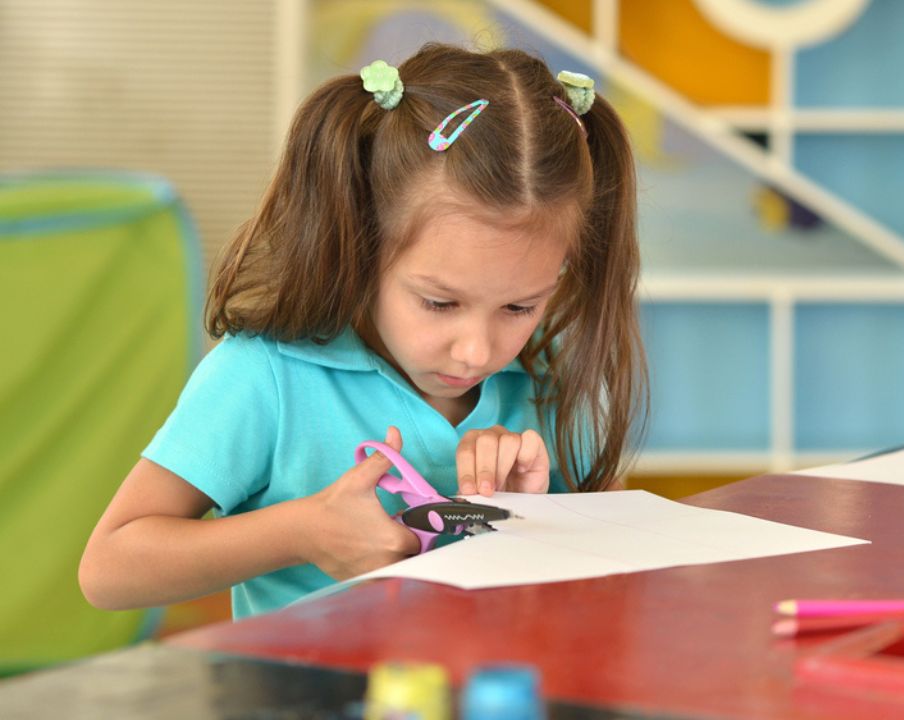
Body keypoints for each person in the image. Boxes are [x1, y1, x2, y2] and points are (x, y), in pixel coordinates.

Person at [79, 43, 647, 618]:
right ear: (361, 247)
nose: (477, 351)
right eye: (439, 302)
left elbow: (621, 573)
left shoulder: (546, 388)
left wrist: (538, 520)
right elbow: (109, 570)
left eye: (519, 308)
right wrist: (301, 532)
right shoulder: (266, 376)